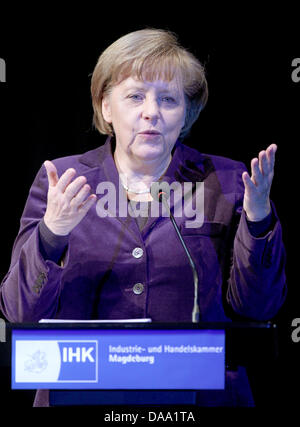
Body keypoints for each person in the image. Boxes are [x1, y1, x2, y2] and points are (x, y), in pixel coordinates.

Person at [0, 28, 286, 407]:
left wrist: (258, 221)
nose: (151, 111)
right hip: (83, 396)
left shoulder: (228, 181)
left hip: (200, 398)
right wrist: (52, 233)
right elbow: (20, 311)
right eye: (135, 96)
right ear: (105, 106)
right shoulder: (63, 180)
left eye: (168, 99)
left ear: (185, 113)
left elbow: (258, 309)